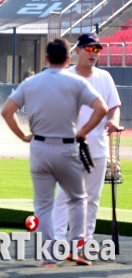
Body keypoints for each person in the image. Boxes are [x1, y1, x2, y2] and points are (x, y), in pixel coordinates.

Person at [0, 38, 108, 268]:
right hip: (67, 146)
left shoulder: (31, 83)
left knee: (43, 205)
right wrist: (83, 132)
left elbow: (7, 111)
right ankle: (77, 249)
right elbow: (102, 109)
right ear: (68, 58)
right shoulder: (76, 82)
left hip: (39, 146)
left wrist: (23, 135)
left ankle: (48, 256)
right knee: (78, 200)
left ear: (46, 58)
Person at [52, 34, 121, 246]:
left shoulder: (105, 77)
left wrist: (113, 121)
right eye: (89, 49)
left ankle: (84, 241)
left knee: (92, 198)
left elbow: (114, 106)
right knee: (65, 196)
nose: (94, 53)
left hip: (98, 148)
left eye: (97, 49)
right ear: (78, 51)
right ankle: (56, 240)